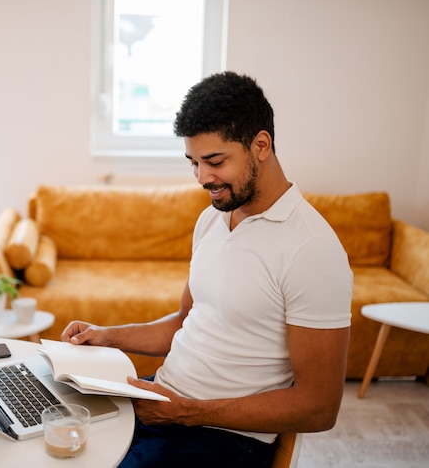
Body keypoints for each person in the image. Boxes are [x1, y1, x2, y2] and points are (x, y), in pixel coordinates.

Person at [61, 72, 353, 467]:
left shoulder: (312, 249)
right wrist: (107, 336)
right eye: (194, 163)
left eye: (214, 162)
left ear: (261, 145)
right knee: (48, 432)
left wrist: (186, 412)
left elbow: (318, 407)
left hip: (223, 438)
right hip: (162, 402)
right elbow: (185, 322)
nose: (202, 178)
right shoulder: (212, 220)